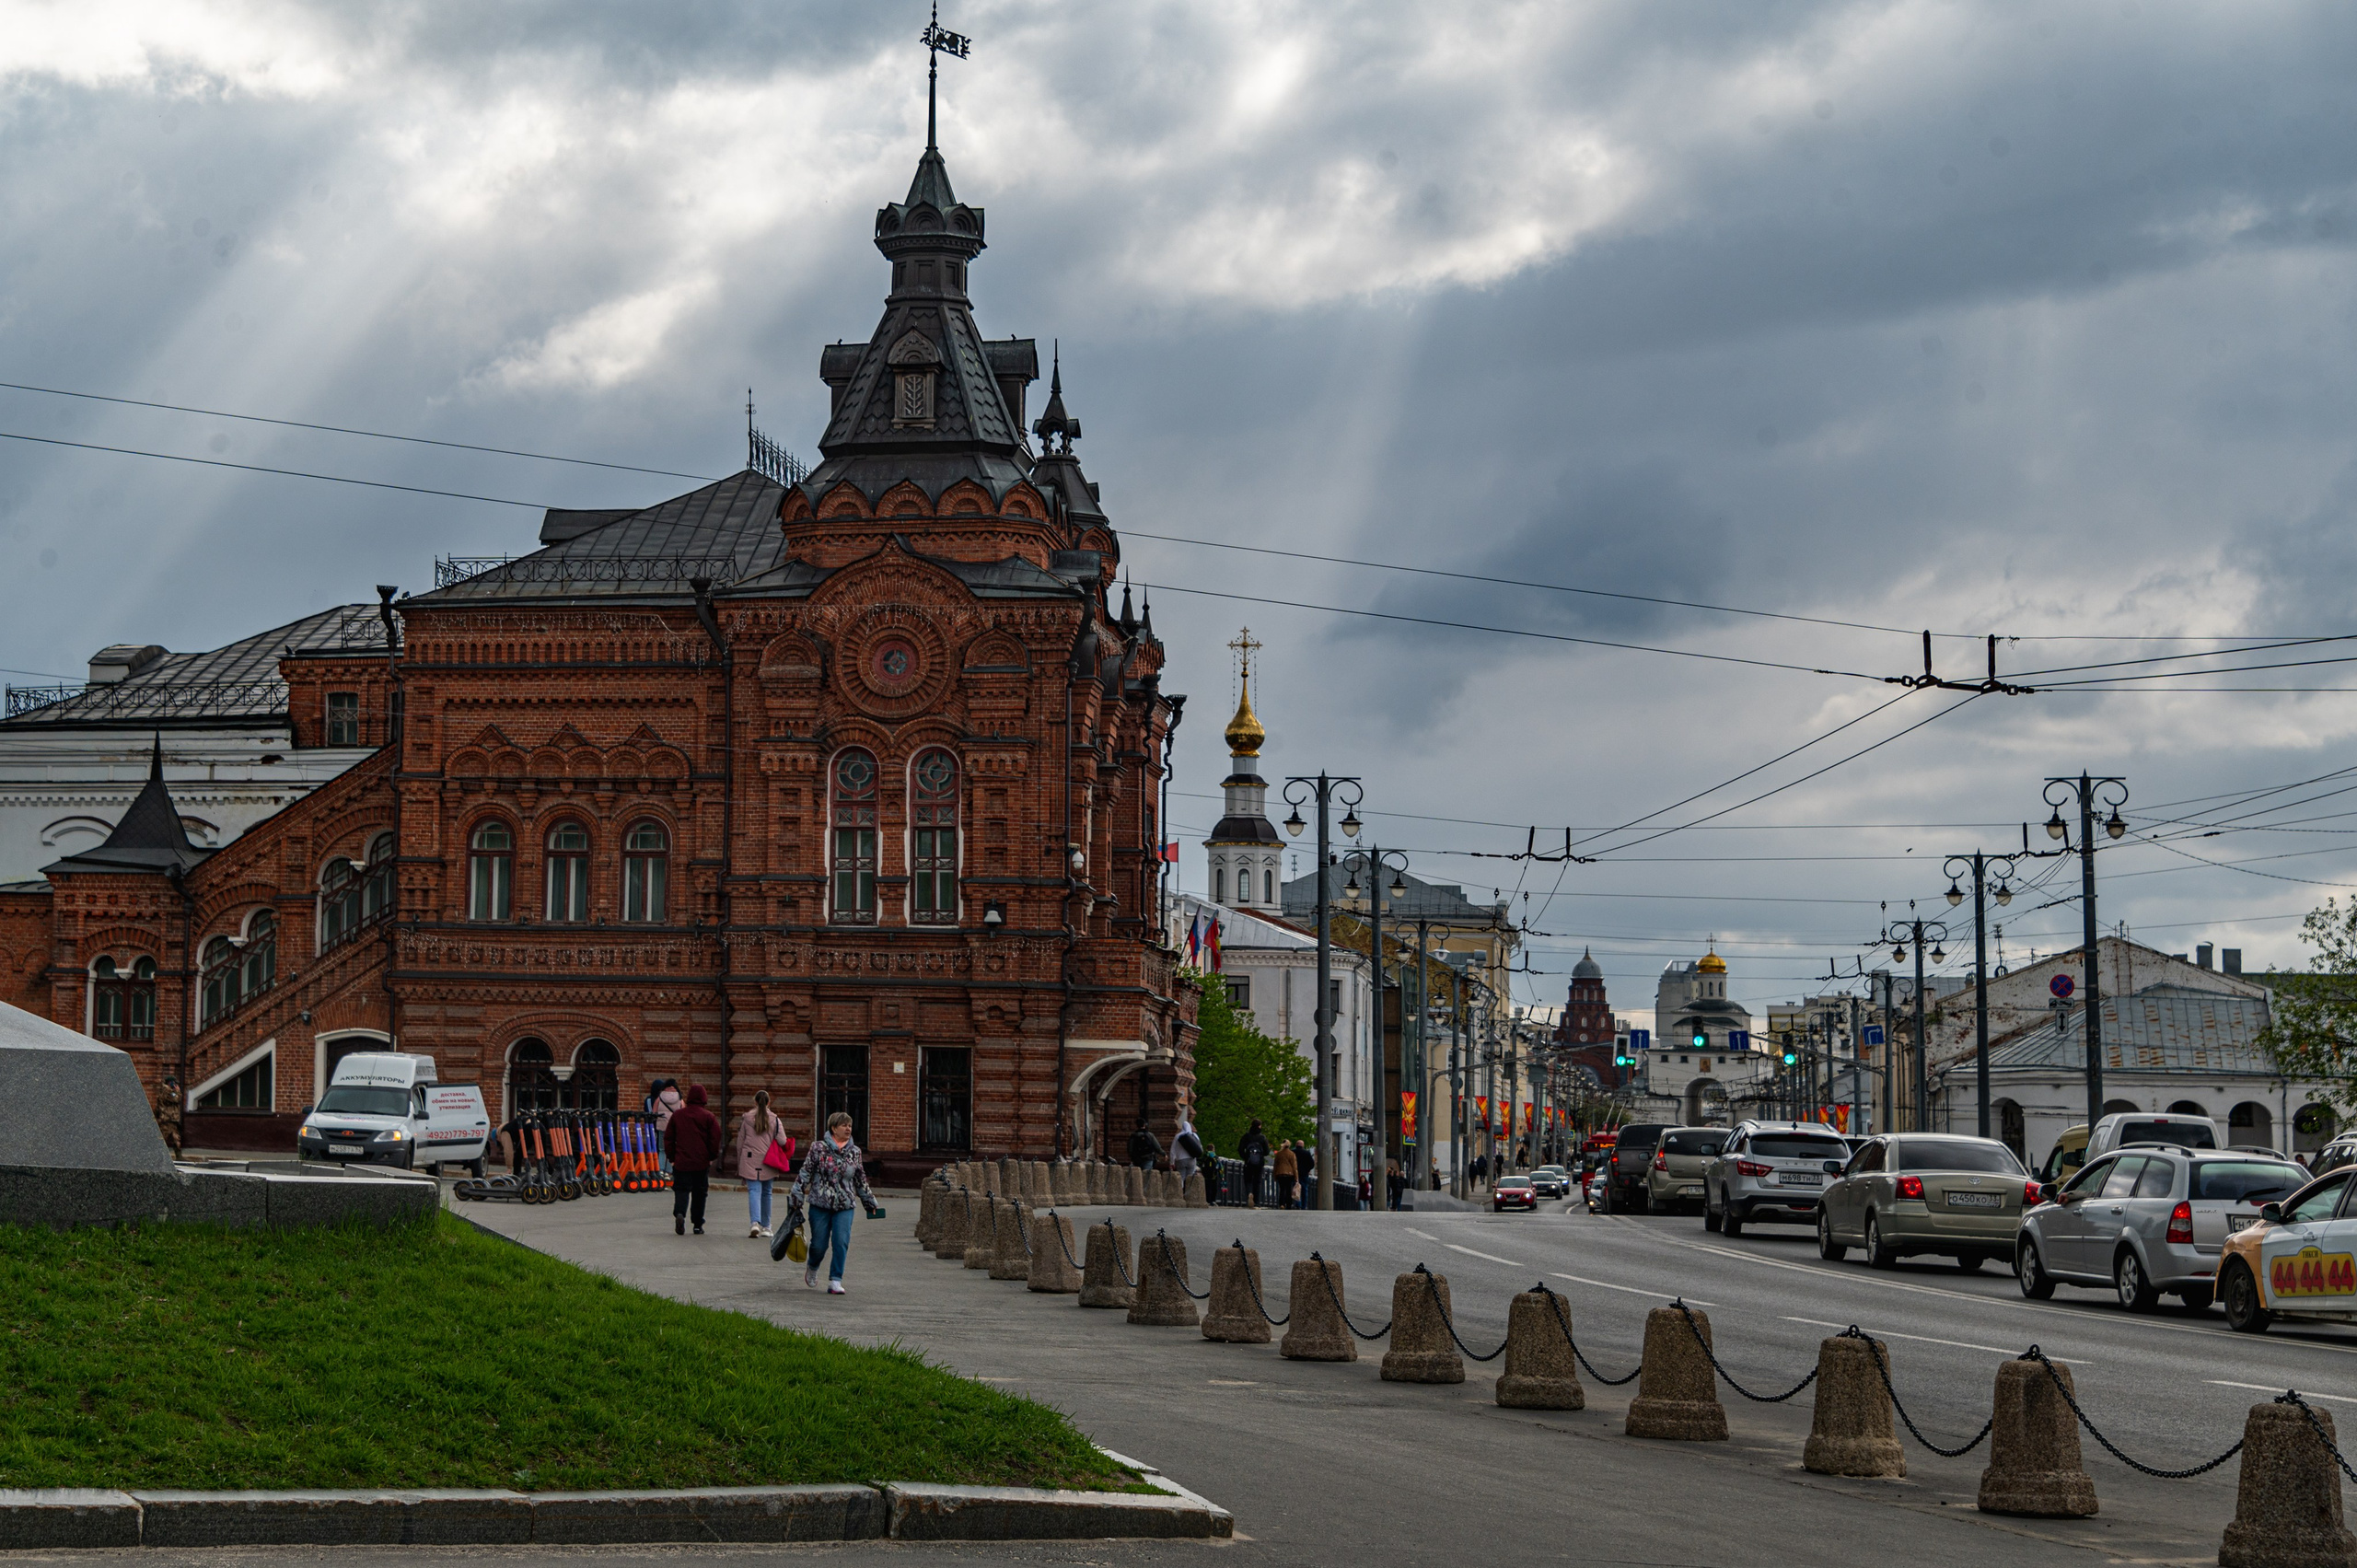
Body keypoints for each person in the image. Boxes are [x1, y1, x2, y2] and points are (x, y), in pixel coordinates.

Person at [791, 1109, 880, 1295]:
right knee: (819, 1244)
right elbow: (805, 1173)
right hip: (820, 1204)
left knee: (841, 1241)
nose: (848, 1129)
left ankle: (835, 1280)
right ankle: (813, 1267)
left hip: (845, 1205)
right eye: (844, 1125)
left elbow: (860, 1178)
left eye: (850, 1125)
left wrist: (869, 1201)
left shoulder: (855, 1152)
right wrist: (797, 1196)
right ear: (833, 1128)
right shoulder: (818, 1148)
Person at [664, 1084, 724, 1235]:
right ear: (704, 1098)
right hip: (701, 1162)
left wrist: (672, 1157)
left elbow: (669, 1138)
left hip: (682, 1161)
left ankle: (680, 1213)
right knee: (700, 1192)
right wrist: (711, 1156)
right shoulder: (708, 1117)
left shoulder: (678, 1115)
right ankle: (697, 1224)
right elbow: (715, 1139)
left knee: (682, 1190)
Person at [736, 1089, 794, 1239]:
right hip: (769, 1159)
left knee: (754, 1191)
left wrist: (739, 1161)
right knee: (767, 1193)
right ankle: (766, 1226)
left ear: (755, 1102)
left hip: (749, 1159)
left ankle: (754, 1223)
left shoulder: (747, 1119)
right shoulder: (775, 1119)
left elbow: (740, 1142)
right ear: (769, 1102)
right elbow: (782, 1141)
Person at [650, 1080, 683, 1179]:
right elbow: (683, 1113)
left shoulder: (659, 1098)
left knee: (661, 1149)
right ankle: (668, 1172)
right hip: (674, 1127)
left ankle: (660, 1170)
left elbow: (654, 1112)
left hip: (662, 1126)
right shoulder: (680, 1099)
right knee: (672, 1149)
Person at [1239, 1119, 1271, 1209]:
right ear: (1259, 1126)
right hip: (1259, 1164)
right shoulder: (1262, 1138)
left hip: (1248, 1163)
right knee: (1257, 1182)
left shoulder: (1246, 1136)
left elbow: (1240, 1149)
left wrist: (1245, 1157)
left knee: (1248, 1180)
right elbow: (1267, 1152)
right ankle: (1256, 1202)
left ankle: (1249, 1193)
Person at [1171, 1118, 1204, 1182]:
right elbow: (1200, 1147)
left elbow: (1173, 1150)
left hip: (1180, 1159)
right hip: (1192, 1159)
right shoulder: (1194, 1135)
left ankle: (1181, 1190)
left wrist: (1172, 1162)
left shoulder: (1178, 1136)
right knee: (1190, 1178)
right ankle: (1189, 1191)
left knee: (1181, 1177)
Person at [1272, 1140, 1298, 1208]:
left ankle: (1281, 1204)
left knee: (1282, 1189)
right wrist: (1296, 1177)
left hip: (1280, 1173)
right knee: (1288, 1189)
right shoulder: (1292, 1154)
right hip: (1289, 1174)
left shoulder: (1278, 1154)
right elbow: (1294, 1166)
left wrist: (1274, 1175)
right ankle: (1289, 1204)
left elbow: (1275, 1165)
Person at [1294, 1139, 1315, 1208]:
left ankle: (1297, 1203)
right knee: (1304, 1189)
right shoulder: (1307, 1153)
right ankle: (1304, 1205)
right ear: (1303, 1145)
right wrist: (1308, 1169)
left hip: (1295, 1173)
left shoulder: (1292, 1152)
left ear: (1296, 1145)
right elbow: (1312, 1164)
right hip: (1304, 1173)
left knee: (1296, 1188)